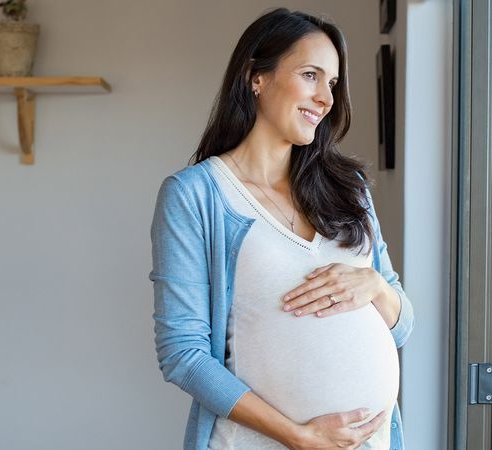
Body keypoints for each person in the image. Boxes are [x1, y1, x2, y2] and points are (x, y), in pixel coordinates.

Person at [149, 7, 414, 450]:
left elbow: (401, 326)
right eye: (311, 75)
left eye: (331, 83)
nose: (326, 98)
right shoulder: (197, 194)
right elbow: (183, 355)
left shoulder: (350, 190)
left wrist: (375, 287)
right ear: (257, 76)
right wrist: (300, 437)